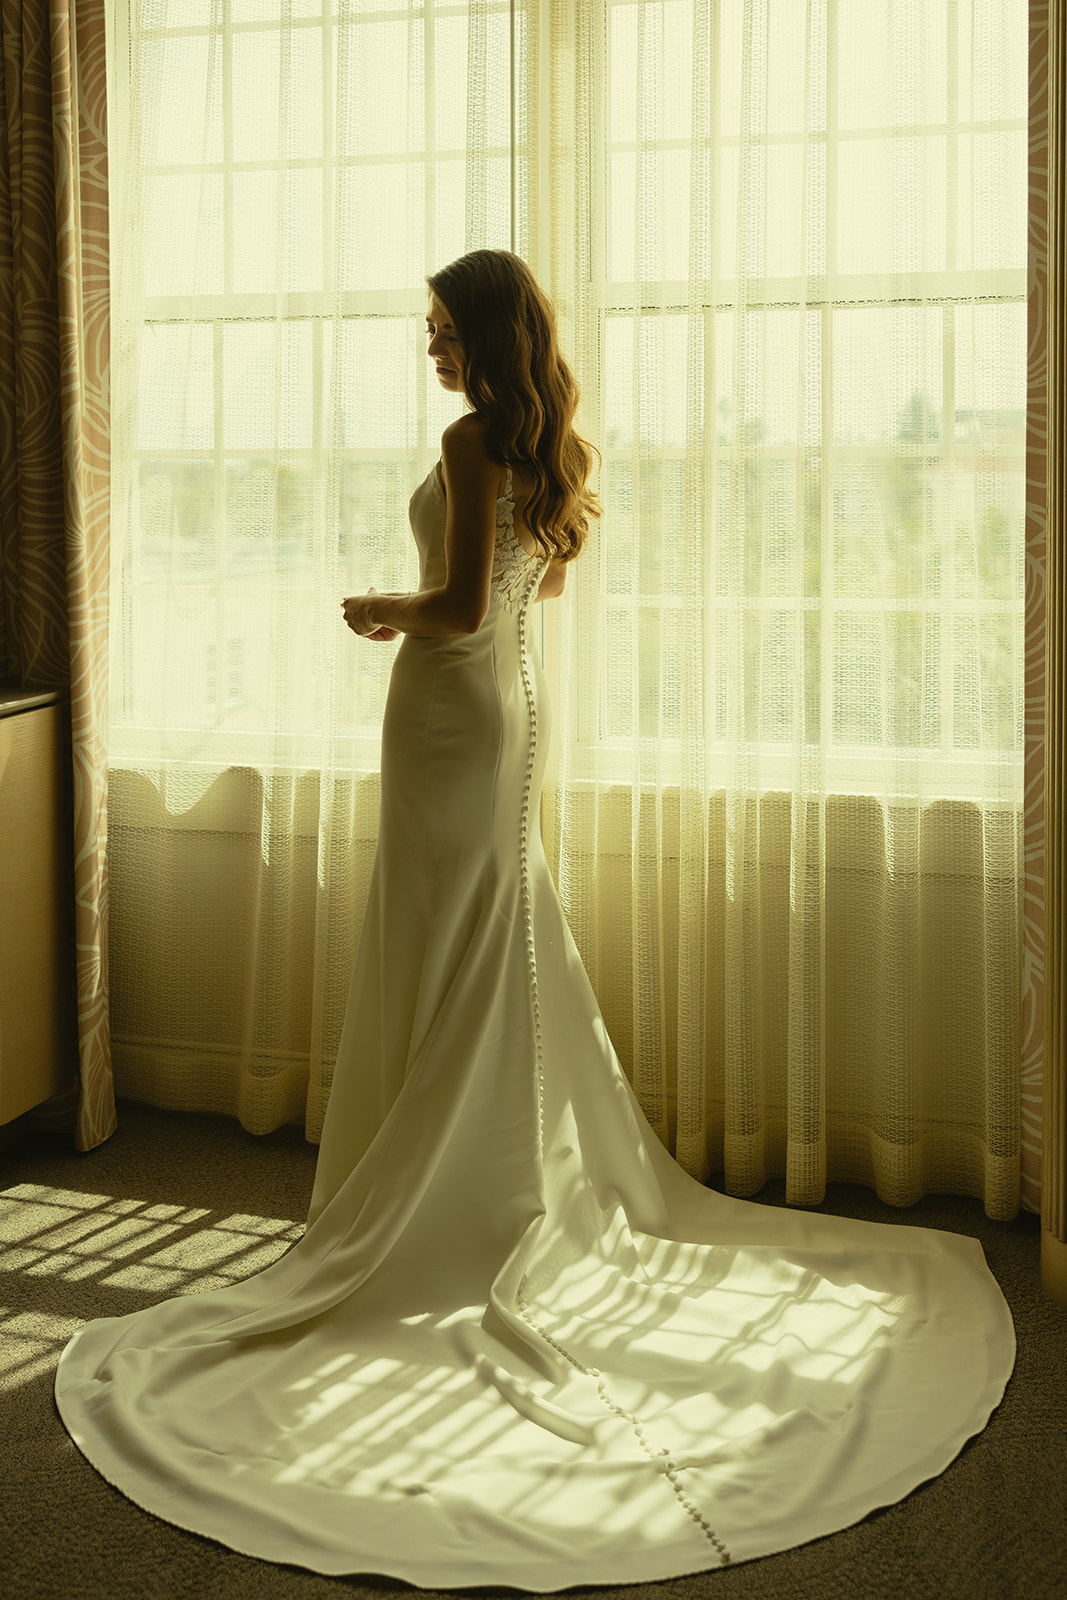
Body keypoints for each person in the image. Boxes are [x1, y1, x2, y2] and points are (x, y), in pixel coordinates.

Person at [56, 250, 1015, 1591]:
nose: (430, 350)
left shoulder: (466, 442)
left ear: (491, 338)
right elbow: (533, 588)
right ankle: (493, 1159)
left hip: (449, 713)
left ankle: (447, 1169)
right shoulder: (543, 446)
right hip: (507, 712)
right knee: (493, 930)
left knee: (450, 931)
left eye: (445, 331)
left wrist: (379, 611)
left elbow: (451, 608)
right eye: (427, 331)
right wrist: (470, 608)